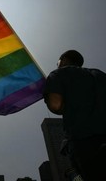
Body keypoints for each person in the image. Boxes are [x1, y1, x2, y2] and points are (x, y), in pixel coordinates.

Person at [43, 50, 106, 181]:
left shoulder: (58, 74)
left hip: (85, 142)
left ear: (63, 60)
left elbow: (56, 105)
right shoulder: (100, 74)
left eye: (57, 62)